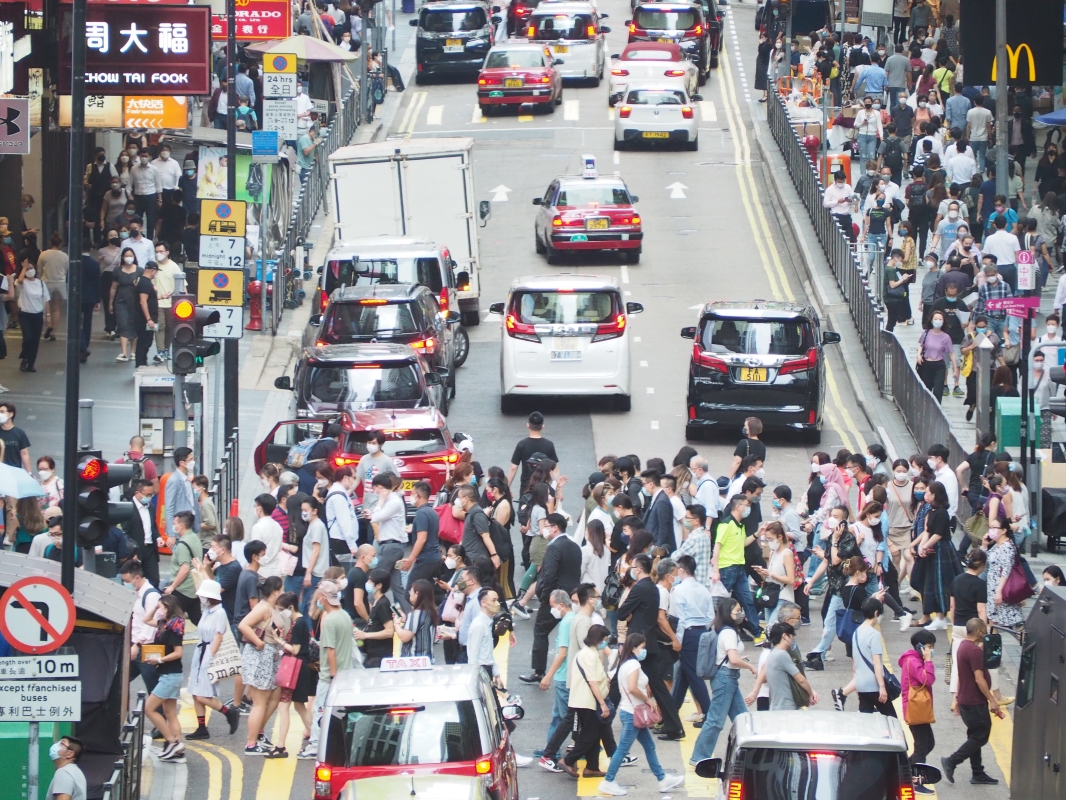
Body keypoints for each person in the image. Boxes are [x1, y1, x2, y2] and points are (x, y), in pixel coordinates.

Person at [618, 554, 685, 740]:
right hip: (650, 642)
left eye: (633, 567)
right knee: (658, 687)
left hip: (637, 643)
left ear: (638, 569)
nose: (631, 570)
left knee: (621, 679)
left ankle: (603, 717)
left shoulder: (640, 588)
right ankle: (674, 726)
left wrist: (630, 613)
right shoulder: (653, 588)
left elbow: (622, 613)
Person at [689, 598, 759, 764]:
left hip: (728, 677)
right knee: (715, 720)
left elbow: (730, 657)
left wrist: (740, 660)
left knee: (742, 718)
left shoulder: (725, 630)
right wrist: (750, 667)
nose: (740, 614)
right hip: (725, 678)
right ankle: (699, 756)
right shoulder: (729, 633)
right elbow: (733, 659)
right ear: (728, 613)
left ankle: (749, 755)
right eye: (737, 611)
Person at [941, 617, 1003, 786]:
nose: (986, 633)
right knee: (981, 736)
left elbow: (962, 675)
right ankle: (952, 761)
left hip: (965, 700)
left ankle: (978, 772)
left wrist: (957, 699)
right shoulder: (975, 651)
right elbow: (979, 679)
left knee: (974, 736)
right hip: (975, 702)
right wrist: (992, 700)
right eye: (984, 630)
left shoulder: (963, 646)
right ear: (978, 632)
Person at [522, 513, 581, 682]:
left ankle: (539, 671)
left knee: (541, 630)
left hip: (555, 598)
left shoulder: (554, 548)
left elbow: (548, 575)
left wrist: (544, 596)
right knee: (572, 633)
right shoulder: (574, 546)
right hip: (572, 596)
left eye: (546, 526)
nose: (544, 529)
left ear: (555, 528)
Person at [298, 580, 352, 760]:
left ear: (323, 598)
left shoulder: (329, 620)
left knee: (320, 710)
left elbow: (330, 650)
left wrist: (332, 674)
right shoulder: (344, 615)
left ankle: (315, 745)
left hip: (331, 676)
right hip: (346, 673)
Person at [238, 575, 289, 756]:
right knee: (259, 702)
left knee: (274, 697)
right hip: (260, 656)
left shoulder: (272, 607)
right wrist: (258, 643)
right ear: (274, 592)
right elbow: (243, 625)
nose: (283, 592)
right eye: (281, 589)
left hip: (270, 656)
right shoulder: (263, 608)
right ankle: (251, 743)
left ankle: (258, 732)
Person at [185, 580, 241, 741]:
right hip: (200, 651)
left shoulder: (219, 613)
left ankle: (228, 712)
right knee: (196, 692)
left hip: (208, 653)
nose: (201, 598)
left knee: (202, 695)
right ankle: (202, 727)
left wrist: (210, 656)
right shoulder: (207, 610)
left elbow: (218, 635)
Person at [711, 496, 763, 640]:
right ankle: (715, 630)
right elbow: (717, 547)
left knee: (748, 601)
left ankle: (757, 632)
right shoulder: (726, 524)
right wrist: (716, 570)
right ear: (738, 506)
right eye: (746, 505)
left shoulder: (740, 525)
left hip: (739, 568)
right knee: (721, 603)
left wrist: (757, 534)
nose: (748, 508)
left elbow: (742, 543)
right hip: (727, 568)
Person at [143, 594, 187, 761]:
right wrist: (155, 607)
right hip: (169, 674)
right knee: (170, 713)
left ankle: (172, 742)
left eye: (160, 607)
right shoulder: (164, 624)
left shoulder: (174, 628)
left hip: (170, 676)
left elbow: (178, 653)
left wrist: (159, 660)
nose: (158, 610)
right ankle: (178, 750)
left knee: (149, 709)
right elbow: (146, 620)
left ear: (168, 608)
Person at [669, 554, 713, 717]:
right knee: (684, 674)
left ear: (681, 570)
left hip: (687, 634)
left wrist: (678, 641)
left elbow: (679, 620)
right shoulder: (703, 589)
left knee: (693, 675)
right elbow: (710, 616)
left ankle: (708, 712)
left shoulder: (678, 591)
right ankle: (672, 714)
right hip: (702, 631)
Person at [274, 591, 315, 758]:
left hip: (294, 668)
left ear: (291, 607)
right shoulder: (298, 622)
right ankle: (317, 739)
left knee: (285, 706)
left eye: (281, 609)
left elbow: (296, 650)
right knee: (298, 706)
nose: (280, 612)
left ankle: (280, 746)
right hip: (298, 667)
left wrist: (279, 641)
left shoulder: (298, 624)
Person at [744, 622, 818, 710]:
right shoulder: (782, 655)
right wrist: (810, 693)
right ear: (785, 636)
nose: (792, 639)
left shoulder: (772, 654)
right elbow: (800, 679)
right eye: (791, 636)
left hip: (775, 706)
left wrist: (755, 692)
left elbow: (763, 672)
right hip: (786, 706)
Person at [538, 589, 574, 767]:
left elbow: (562, 653)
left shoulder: (566, 623)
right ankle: (550, 749)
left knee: (565, 719)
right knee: (558, 716)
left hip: (562, 676)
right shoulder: (573, 619)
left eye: (553, 606)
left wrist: (548, 675)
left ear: (561, 605)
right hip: (566, 675)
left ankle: (551, 753)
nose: (552, 609)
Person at [899, 629, 938, 784]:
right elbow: (928, 679)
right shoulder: (913, 662)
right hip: (915, 709)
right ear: (919, 646)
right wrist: (928, 661)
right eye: (929, 646)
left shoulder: (914, 660)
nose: (931, 650)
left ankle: (903, 769)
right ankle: (917, 779)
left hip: (919, 709)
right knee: (922, 747)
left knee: (929, 743)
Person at [984, 518, 1025, 629]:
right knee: (993, 620)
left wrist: (999, 591)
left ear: (1003, 530)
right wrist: (984, 545)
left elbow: (1006, 570)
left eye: (994, 528)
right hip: (992, 587)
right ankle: (993, 640)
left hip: (1002, 589)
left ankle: (1021, 636)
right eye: (990, 527)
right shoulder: (996, 545)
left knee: (1012, 619)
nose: (991, 530)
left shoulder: (1007, 547)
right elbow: (986, 560)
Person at [164, 510, 202, 624]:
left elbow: (185, 569)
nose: (173, 526)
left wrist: (172, 587)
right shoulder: (194, 538)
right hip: (193, 588)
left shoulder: (183, 545)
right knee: (198, 620)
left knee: (171, 621)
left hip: (182, 590)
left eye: (174, 524)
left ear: (180, 526)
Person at [352, 568, 395, 667]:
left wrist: (366, 635)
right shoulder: (376, 603)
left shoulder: (383, 604)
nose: (367, 583)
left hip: (380, 656)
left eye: (371, 581)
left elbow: (389, 632)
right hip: (372, 654)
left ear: (379, 585)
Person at [508, 411, 560, 489]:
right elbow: (555, 468)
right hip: (544, 488)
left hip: (526, 486)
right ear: (542, 426)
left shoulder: (522, 444)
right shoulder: (549, 445)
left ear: (528, 425)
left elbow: (513, 468)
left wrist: (507, 487)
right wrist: (558, 488)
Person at [15, 251, 48, 373]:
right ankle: (24, 358)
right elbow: (19, 281)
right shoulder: (23, 283)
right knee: (28, 337)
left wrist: (47, 315)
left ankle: (31, 363)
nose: (30, 270)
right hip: (25, 314)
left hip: (37, 314)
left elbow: (46, 299)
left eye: (31, 268)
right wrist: (24, 268)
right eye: (27, 269)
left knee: (35, 340)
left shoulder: (41, 283)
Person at [396, 578, 438, 659]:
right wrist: (406, 621)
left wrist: (396, 624)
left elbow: (404, 637)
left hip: (414, 661)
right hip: (426, 659)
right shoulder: (430, 612)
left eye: (411, 591)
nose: (409, 593)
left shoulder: (416, 614)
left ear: (417, 594)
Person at [45, 736, 87, 800]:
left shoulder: (63, 772)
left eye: (62, 743)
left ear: (70, 754)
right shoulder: (75, 771)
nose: (56, 745)